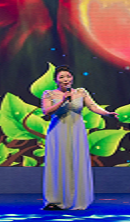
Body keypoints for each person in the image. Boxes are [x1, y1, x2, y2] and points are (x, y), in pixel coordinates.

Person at [41, 65, 117, 210]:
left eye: (68, 76)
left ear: (72, 78)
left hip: (77, 131)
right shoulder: (49, 94)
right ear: (56, 80)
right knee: (58, 162)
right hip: (58, 131)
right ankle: (55, 200)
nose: (65, 79)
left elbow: (93, 106)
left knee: (76, 161)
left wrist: (107, 113)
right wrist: (63, 101)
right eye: (61, 77)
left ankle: (76, 198)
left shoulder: (81, 92)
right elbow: (46, 111)